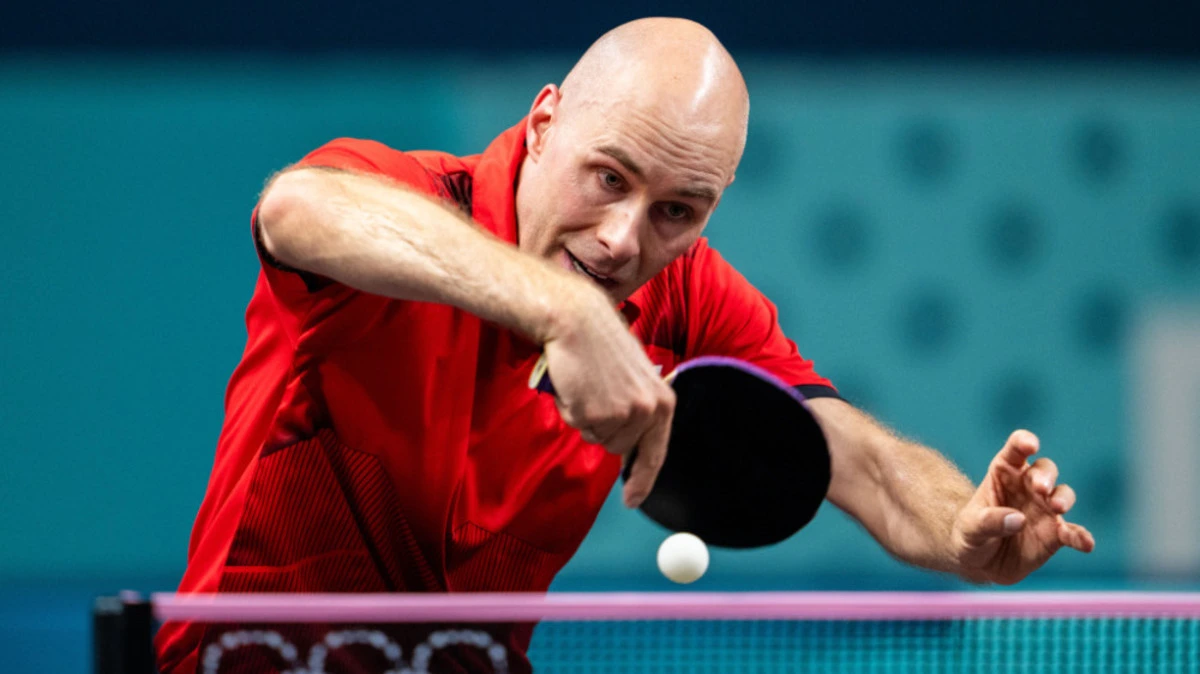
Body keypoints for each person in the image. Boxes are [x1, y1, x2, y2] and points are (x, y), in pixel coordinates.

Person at [155, 17, 1095, 674]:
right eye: (608, 177)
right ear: (544, 122)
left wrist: (962, 532)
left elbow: (854, 459)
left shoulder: (685, 294)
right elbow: (298, 209)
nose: (621, 241)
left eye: (677, 211)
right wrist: (566, 313)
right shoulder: (416, 199)